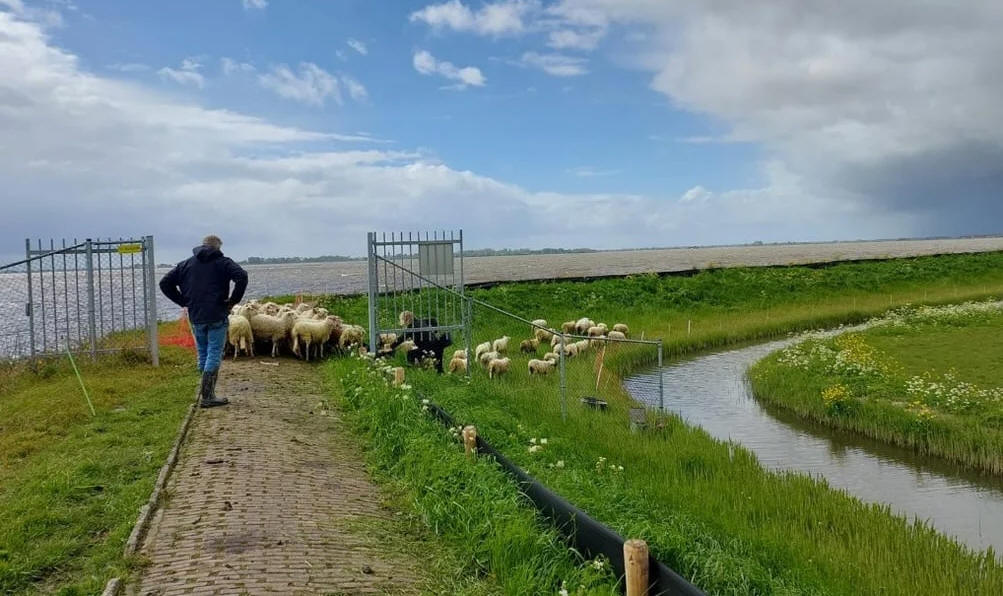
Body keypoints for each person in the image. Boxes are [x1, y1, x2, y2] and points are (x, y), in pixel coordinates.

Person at [160, 235, 248, 408]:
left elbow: (165, 283)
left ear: (203, 245)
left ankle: (205, 391)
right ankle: (208, 396)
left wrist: (183, 301)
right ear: (218, 247)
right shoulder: (223, 262)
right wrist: (233, 301)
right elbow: (242, 276)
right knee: (214, 352)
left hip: (197, 315)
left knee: (203, 352)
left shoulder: (186, 264)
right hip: (217, 313)